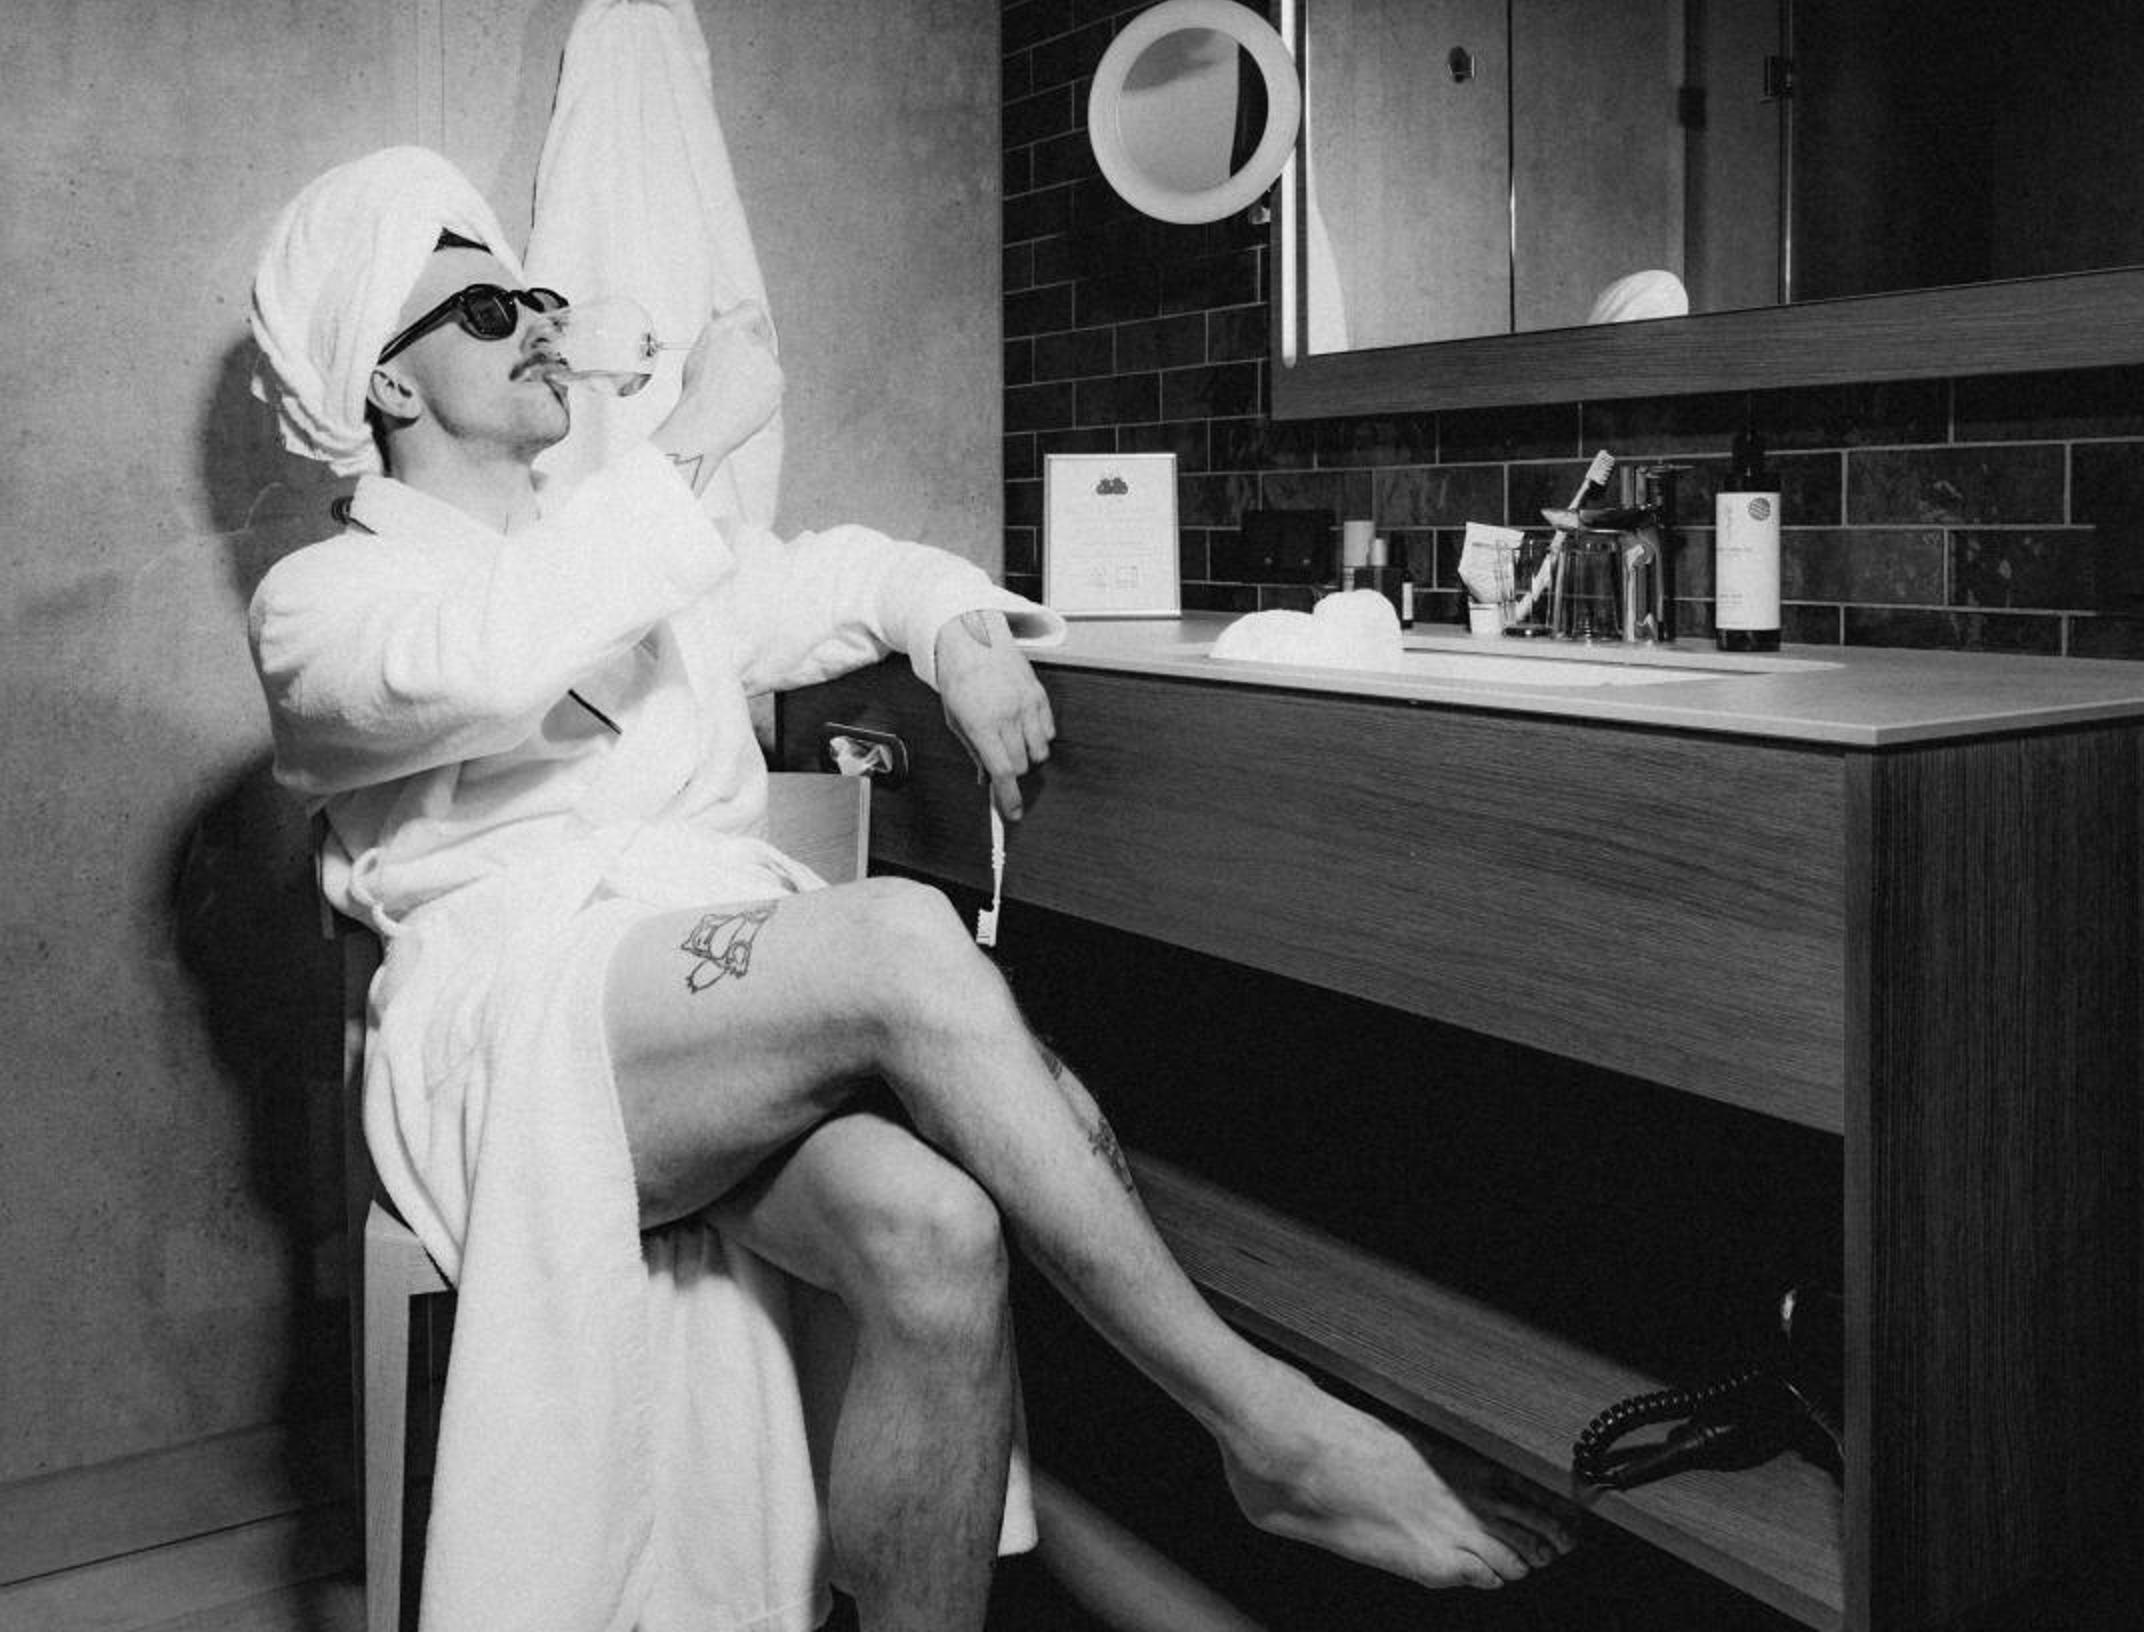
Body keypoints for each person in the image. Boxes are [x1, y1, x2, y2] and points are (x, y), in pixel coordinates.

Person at [244, 147, 1570, 1632]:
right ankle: (1262, 1423)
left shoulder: (612, 546)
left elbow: (844, 572)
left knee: (938, 1234)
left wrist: (959, 637)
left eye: (538, 295)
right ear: (388, 381)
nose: (542, 324)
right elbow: (482, 664)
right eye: (491, 312)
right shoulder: (323, 605)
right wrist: (688, 442)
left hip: (699, 1028)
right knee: (897, 931)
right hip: (508, 1025)